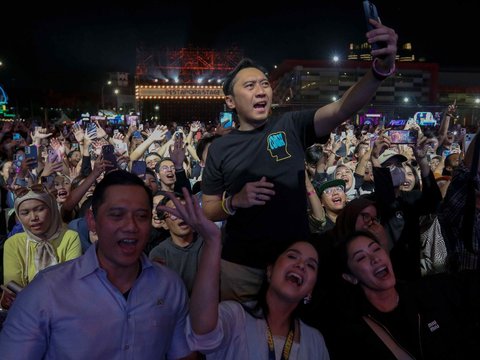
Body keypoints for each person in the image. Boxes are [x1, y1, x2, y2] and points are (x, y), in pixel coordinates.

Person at [201, 19, 398, 300]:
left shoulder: (290, 125)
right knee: (239, 335)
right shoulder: (220, 148)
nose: (261, 91)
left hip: (295, 262)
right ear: (230, 101)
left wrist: (379, 71)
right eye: (249, 86)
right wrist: (234, 201)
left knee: (293, 337)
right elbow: (208, 208)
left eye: (264, 84)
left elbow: (342, 108)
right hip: (241, 265)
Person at [0, 171, 194, 360]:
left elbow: (182, 353)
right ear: (92, 221)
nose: (131, 226)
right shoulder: (45, 292)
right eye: (117, 215)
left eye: (141, 216)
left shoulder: (169, 286)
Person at [157, 189, 329, 359]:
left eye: (311, 265)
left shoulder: (315, 341)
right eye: (292, 256)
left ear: (310, 290)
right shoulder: (235, 316)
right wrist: (212, 242)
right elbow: (202, 333)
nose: (300, 265)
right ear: (269, 270)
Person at [310, 230, 480, 359]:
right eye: (361, 258)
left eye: (376, 249)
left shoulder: (430, 292)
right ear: (350, 277)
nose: (374, 258)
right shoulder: (350, 331)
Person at [1, 184, 82, 309]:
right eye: (25, 213)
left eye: (39, 209)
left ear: (52, 209)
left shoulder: (70, 237)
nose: (34, 218)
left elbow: (70, 281)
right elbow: (12, 285)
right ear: (18, 216)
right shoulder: (13, 243)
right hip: (27, 312)